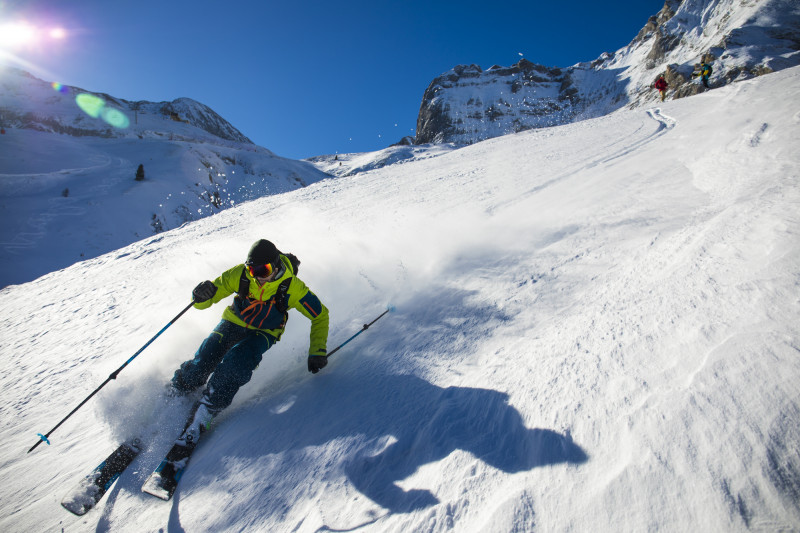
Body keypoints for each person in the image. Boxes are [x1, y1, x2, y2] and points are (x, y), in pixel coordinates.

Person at [170, 239, 330, 446]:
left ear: (277, 265)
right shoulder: (241, 274)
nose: (258, 276)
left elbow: (320, 315)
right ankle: (183, 383)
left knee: (237, 362)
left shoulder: (293, 288)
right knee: (206, 357)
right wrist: (201, 294)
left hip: (264, 332)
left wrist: (317, 350)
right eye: (253, 271)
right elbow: (207, 299)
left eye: (264, 270)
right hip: (233, 322)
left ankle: (209, 407)